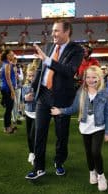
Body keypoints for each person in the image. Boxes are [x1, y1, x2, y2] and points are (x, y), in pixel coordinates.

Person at [25, 19, 84, 179]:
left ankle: (59, 162)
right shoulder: (49, 47)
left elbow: (69, 71)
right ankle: (39, 167)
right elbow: (40, 69)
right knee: (39, 133)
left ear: (67, 32)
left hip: (62, 98)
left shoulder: (77, 50)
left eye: (56, 31)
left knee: (61, 135)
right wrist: (32, 89)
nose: (53, 34)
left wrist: (48, 60)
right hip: (43, 95)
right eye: (53, 31)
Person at [51, 66, 108, 191]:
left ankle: (101, 175)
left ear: (100, 78)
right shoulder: (81, 92)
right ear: (85, 78)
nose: (90, 80)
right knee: (89, 152)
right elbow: (73, 108)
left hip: (99, 127)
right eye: (88, 77)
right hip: (85, 127)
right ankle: (91, 172)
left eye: (94, 77)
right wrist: (60, 111)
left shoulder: (104, 93)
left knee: (96, 152)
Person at [21, 60, 38, 165]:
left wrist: (34, 98)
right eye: (29, 76)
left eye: (33, 76)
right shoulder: (25, 86)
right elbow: (22, 99)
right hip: (28, 112)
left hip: (38, 114)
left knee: (33, 135)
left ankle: (36, 153)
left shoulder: (40, 86)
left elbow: (43, 100)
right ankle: (31, 152)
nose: (31, 78)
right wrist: (25, 98)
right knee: (29, 135)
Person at [0, 49, 17, 134]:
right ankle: (7, 127)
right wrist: (12, 91)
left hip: (6, 88)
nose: (13, 55)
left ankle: (9, 125)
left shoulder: (7, 64)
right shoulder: (7, 65)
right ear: (7, 56)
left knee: (10, 108)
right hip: (7, 89)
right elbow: (8, 79)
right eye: (11, 54)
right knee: (9, 108)